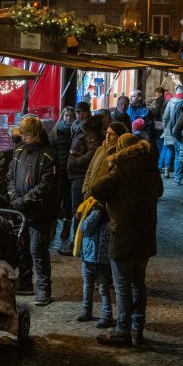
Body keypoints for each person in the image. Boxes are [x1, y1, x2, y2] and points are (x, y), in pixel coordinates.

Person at [89, 133, 163, 347]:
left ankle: (122, 330)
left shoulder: (120, 168)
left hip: (123, 233)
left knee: (122, 285)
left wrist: (110, 160)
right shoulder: (151, 166)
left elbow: (96, 188)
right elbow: (159, 191)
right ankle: (137, 329)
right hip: (146, 233)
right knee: (139, 283)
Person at [6, 115, 59, 306]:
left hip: (40, 211)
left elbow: (47, 185)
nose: (24, 137)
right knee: (22, 248)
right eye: (23, 134)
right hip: (21, 209)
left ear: (36, 134)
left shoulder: (48, 154)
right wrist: (14, 197)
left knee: (37, 249)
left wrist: (25, 200)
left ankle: (44, 288)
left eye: (27, 134)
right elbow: (10, 175)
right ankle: (26, 282)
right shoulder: (19, 151)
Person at [75, 200, 114, 328]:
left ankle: (106, 315)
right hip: (88, 258)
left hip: (103, 261)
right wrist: (96, 213)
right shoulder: (91, 213)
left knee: (103, 289)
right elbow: (84, 227)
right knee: (87, 286)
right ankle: (86, 311)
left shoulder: (112, 217)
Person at [66, 114, 104, 241]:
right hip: (75, 174)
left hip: (79, 175)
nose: (79, 115)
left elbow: (93, 151)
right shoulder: (77, 130)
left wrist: (77, 161)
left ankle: (76, 241)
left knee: (78, 210)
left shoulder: (88, 133)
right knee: (76, 209)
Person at [53, 107, 78, 253]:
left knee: (69, 202)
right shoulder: (57, 131)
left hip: (72, 172)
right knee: (57, 199)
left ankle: (66, 229)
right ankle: (54, 227)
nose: (68, 118)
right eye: (66, 116)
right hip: (60, 171)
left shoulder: (76, 131)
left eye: (71, 116)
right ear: (62, 116)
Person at [159, 84, 183, 180]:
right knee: (181, 152)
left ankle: (167, 171)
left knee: (170, 150)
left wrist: (164, 127)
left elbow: (165, 117)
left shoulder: (171, 102)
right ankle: (179, 173)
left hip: (170, 129)